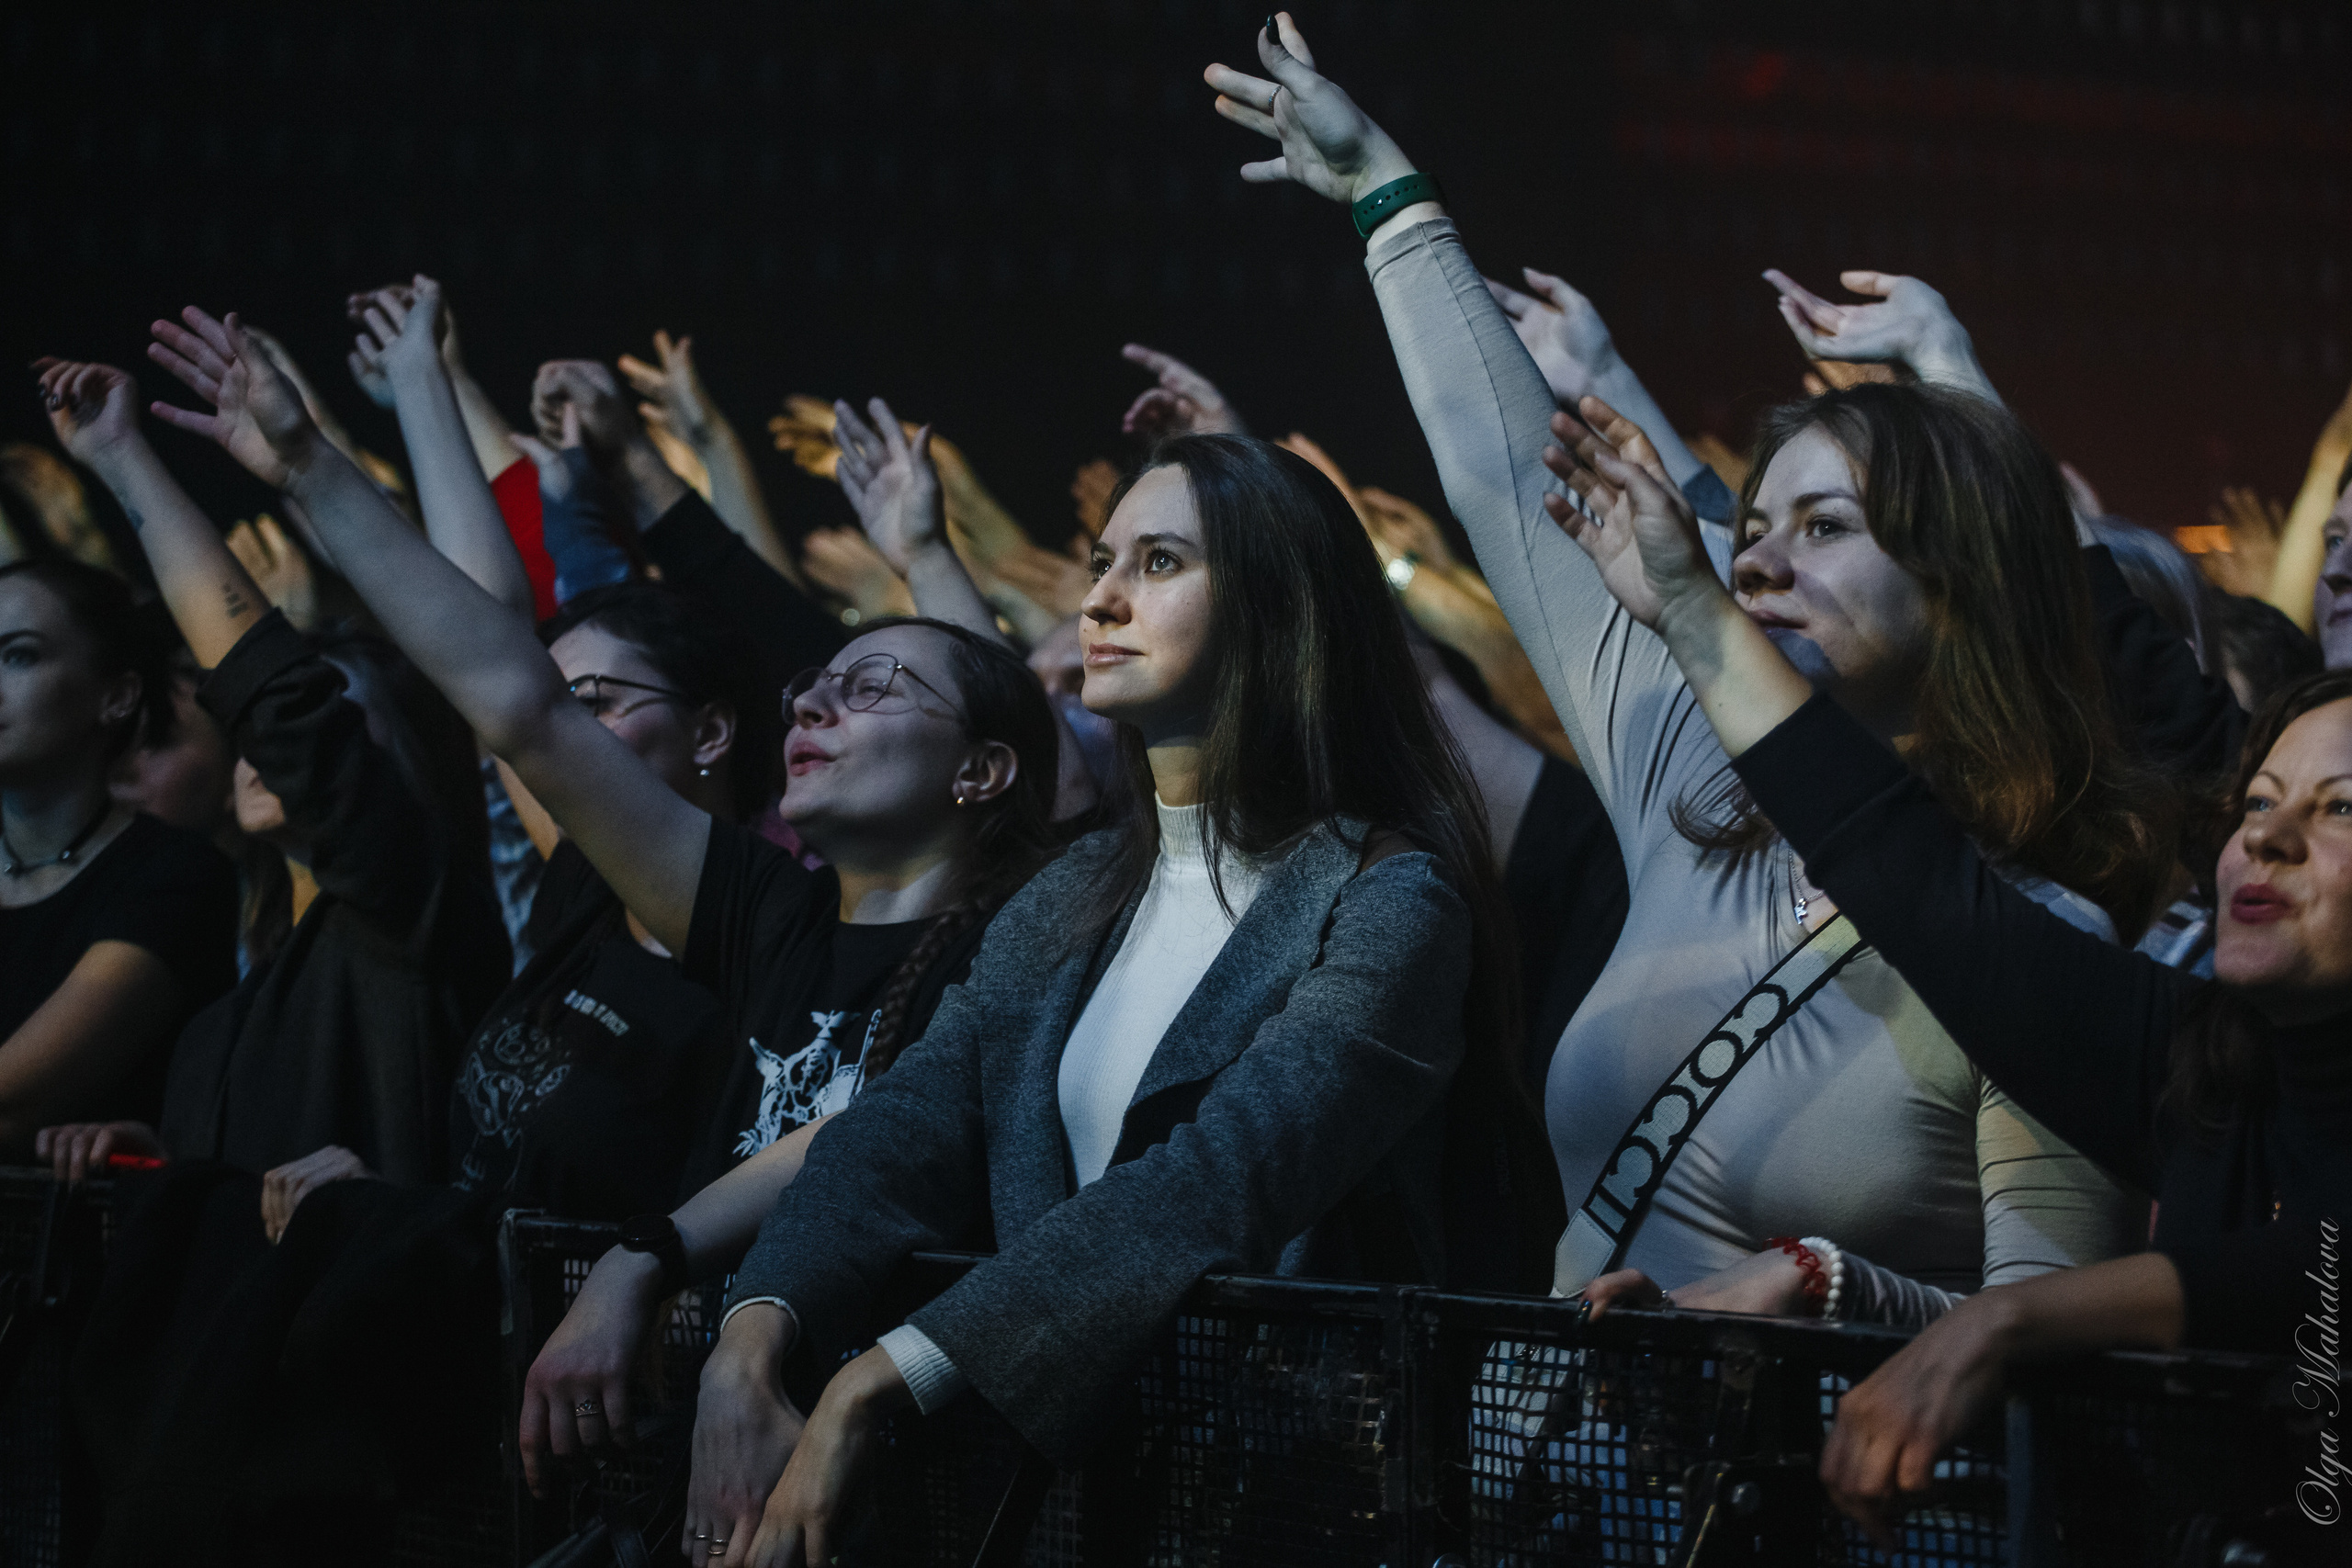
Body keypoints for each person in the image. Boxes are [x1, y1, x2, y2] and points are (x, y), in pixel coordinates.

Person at [1206, 14, 2155, 1325]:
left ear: (1965, 580)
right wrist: (1386, 193)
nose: (1754, 565)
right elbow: (1506, 473)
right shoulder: (1689, 773)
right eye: (1749, 528)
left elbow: (2058, 1351)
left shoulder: (2049, 941)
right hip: (1546, 1492)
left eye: (1822, 528)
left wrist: (1827, 1286)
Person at [1538, 383, 2348, 1540]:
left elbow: (2314, 1270)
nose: (2262, 836)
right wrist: (1685, 600)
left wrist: (2004, 1320)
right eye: (2256, 800)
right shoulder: (2182, 1056)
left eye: (2342, 809)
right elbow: (1911, 878)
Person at [29, 351, 510, 1186]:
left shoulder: (413, 923)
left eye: (340, 727)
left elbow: (281, 702)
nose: (262, 749)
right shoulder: (223, 1015)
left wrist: (125, 461)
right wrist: (164, 1156)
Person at [1, 555, 236, 1156]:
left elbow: (14, 1100)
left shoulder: (174, 875)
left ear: (118, 696)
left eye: (17, 655)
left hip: (77, 1244)